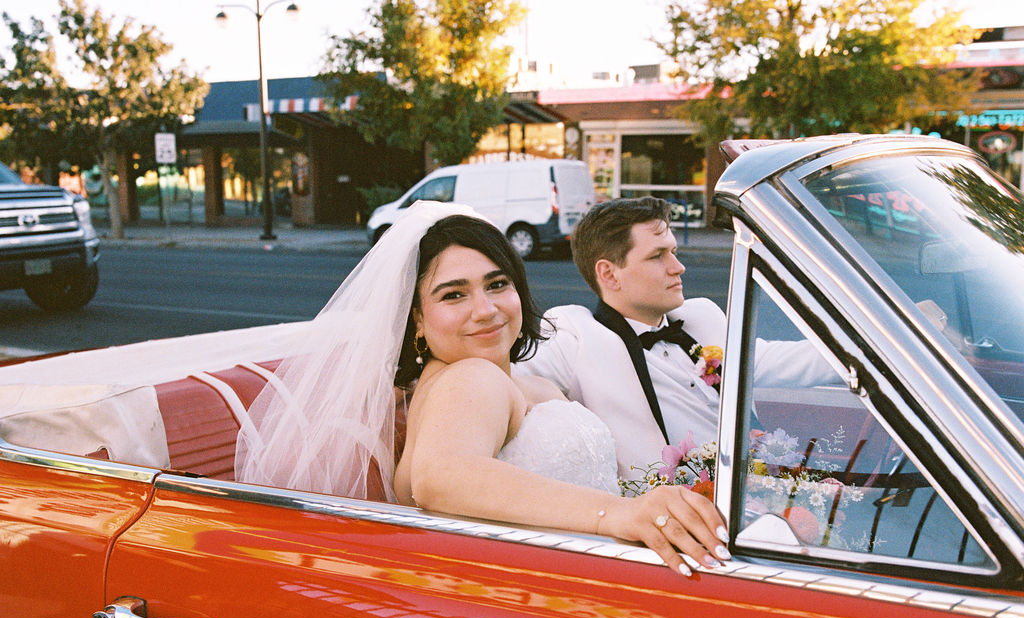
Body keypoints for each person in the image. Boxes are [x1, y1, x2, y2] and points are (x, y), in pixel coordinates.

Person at [236, 200, 730, 577]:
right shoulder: (470, 379)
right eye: (454, 294)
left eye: (497, 284)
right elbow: (440, 475)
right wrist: (621, 514)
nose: (486, 309)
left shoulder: (504, 379)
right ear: (417, 321)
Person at [517, 196, 834, 477]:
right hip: (668, 520)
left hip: (754, 490)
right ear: (609, 274)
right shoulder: (576, 337)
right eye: (658, 256)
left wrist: (864, 355)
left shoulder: (702, 317)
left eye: (674, 251)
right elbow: (496, 381)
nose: (678, 267)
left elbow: (783, 361)